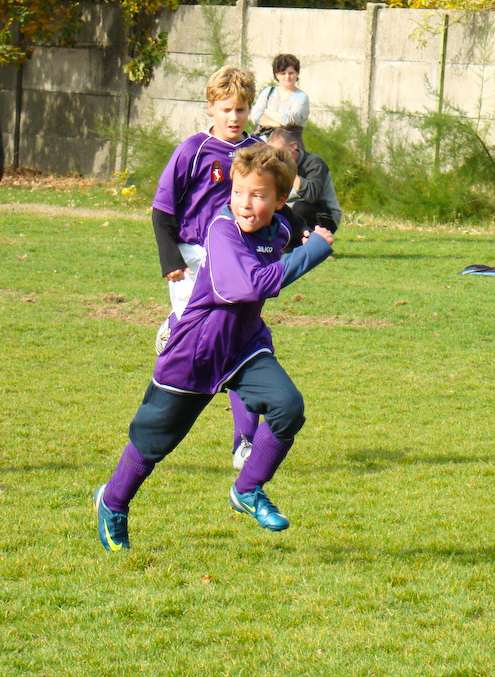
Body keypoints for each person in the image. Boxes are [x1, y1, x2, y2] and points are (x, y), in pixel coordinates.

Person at [94, 143, 335, 551]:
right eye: (238, 192)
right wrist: (313, 251)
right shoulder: (222, 231)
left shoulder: (276, 227)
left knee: (288, 407)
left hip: (243, 346)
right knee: (154, 441)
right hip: (198, 348)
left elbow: (286, 234)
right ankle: (112, 503)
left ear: (279, 200)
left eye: (258, 195)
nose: (245, 203)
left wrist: (304, 235)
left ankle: (248, 488)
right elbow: (248, 286)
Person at [152, 66, 266, 471]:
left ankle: (245, 442)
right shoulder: (192, 150)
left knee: (236, 344)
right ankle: (175, 325)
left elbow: (277, 203)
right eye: (226, 109)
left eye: (241, 109)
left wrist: (299, 229)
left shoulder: (257, 152)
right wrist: (171, 260)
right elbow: (162, 210)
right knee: (196, 351)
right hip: (194, 258)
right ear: (211, 108)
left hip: (235, 260)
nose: (234, 117)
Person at [266, 128, 342, 233]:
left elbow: (312, 196)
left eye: (280, 153)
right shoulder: (273, 167)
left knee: (300, 208)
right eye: (273, 154)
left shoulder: (314, 163)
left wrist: (289, 170)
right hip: (291, 212)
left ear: (292, 147)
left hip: (325, 215)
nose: (277, 158)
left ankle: (306, 243)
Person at [251, 53, 310, 149]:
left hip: (290, 148)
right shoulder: (268, 92)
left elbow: (288, 120)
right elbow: (255, 115)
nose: (287, 77)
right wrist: (277, 124)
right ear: (276, 75)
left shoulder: (301, 97)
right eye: (283, 73)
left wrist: (266, 112)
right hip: (263, 146)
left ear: (297, 74)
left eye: (291, 73)